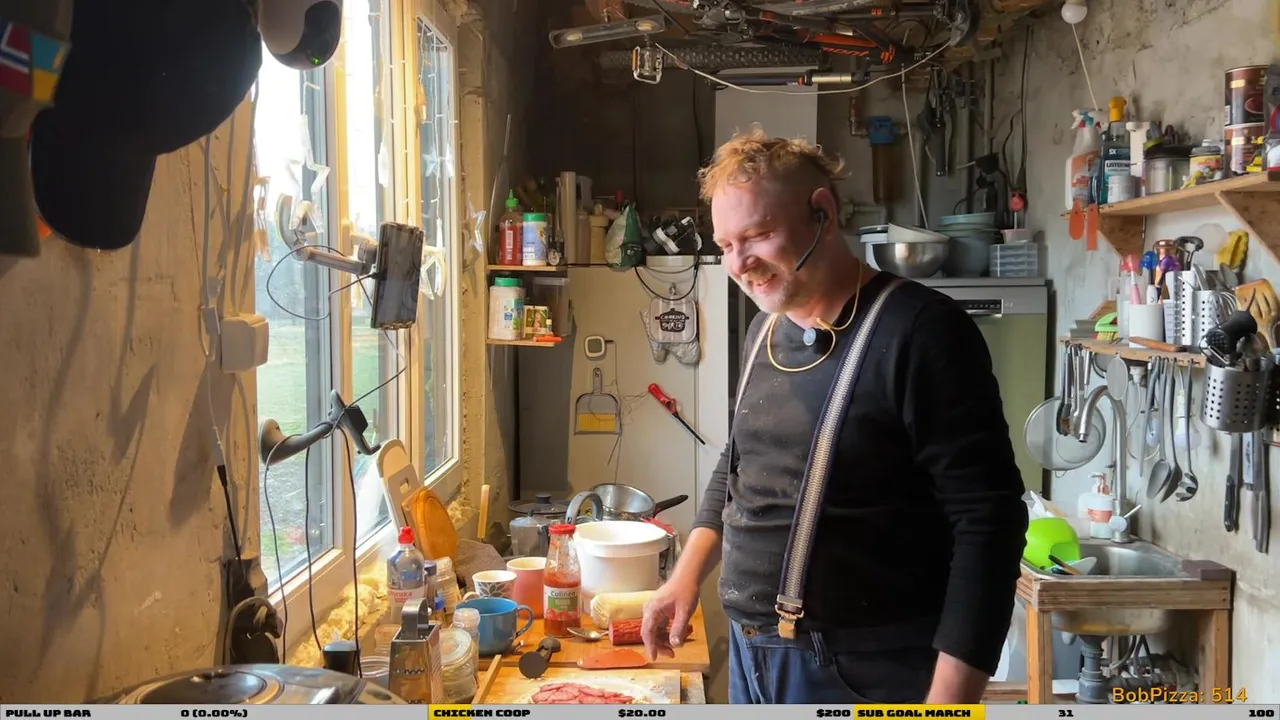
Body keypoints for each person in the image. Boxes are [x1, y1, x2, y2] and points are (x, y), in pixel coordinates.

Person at [641, 129, 1029, 705]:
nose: (740, 264)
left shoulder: (921, 332)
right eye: (725, 245)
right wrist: (684, 578)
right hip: (754, 658)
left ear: (821, 212)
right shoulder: (765, 330)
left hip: (867, 670)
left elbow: (989, 523)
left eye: (758, 235)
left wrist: (949, 705)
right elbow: (739, 464)